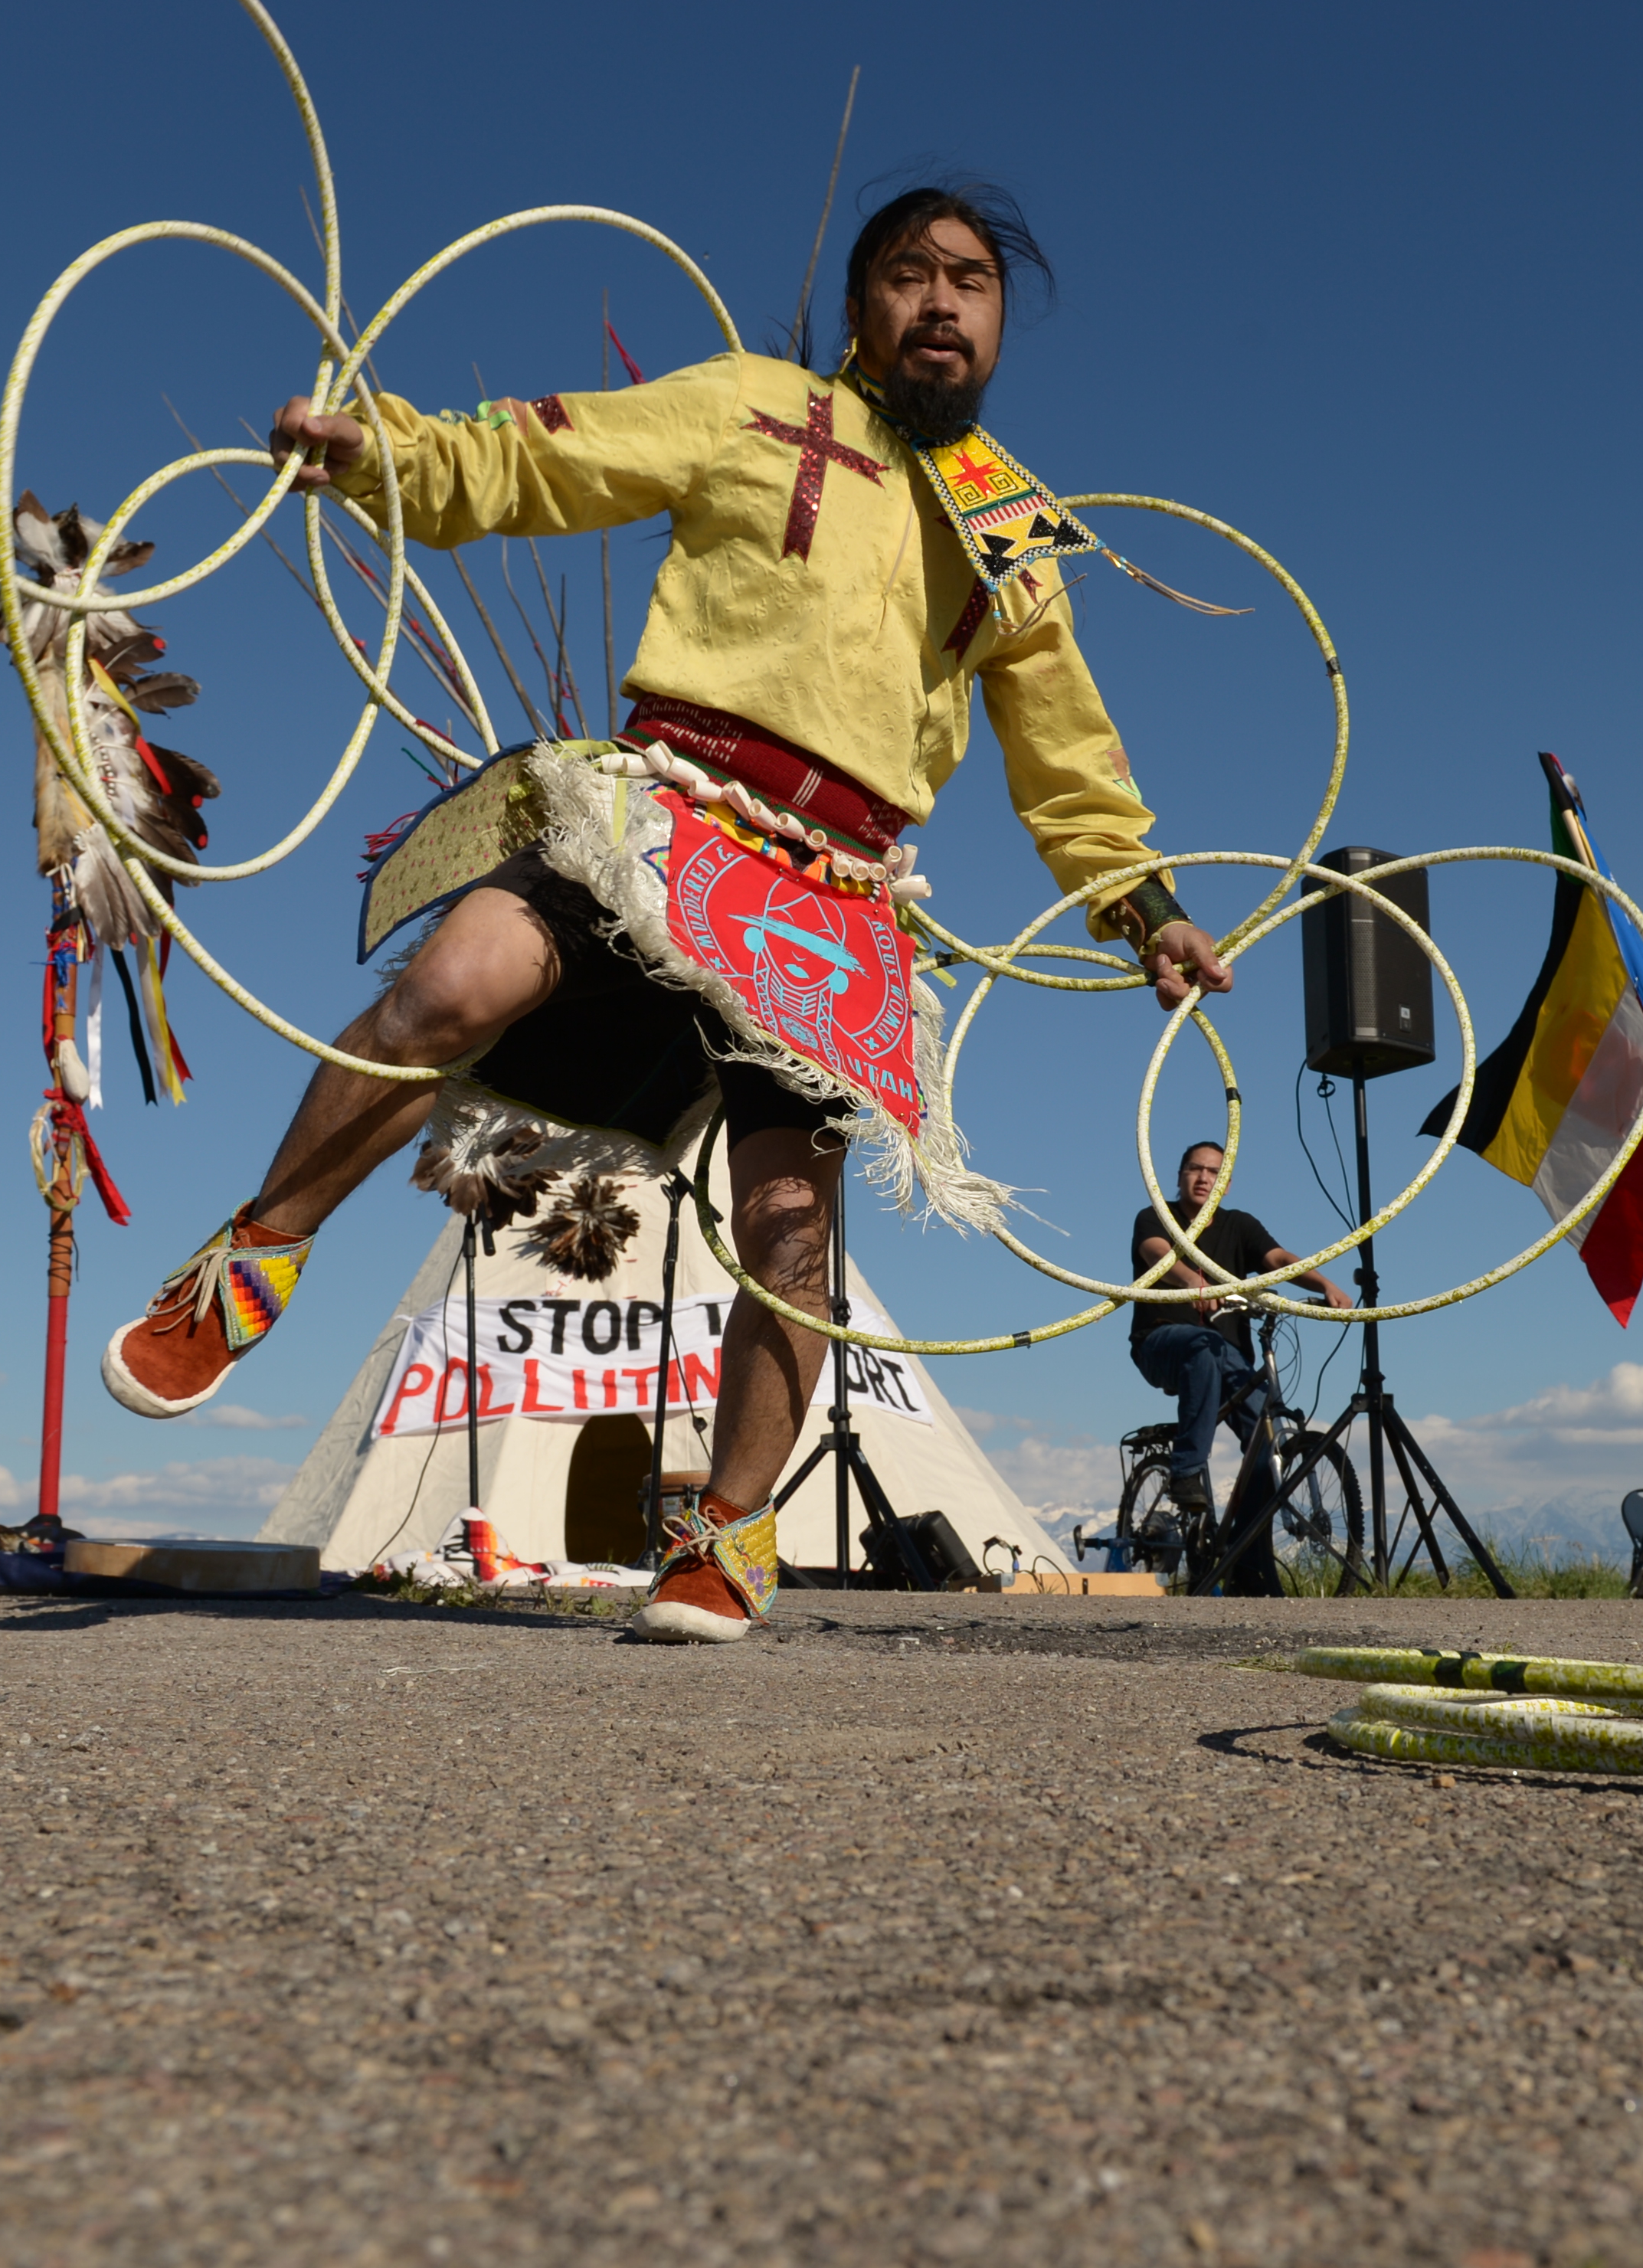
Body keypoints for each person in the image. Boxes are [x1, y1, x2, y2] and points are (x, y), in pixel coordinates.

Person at [96, 187, 1234, 1643]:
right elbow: (545, 456)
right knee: (453, 984)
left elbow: (1064, 747)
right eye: (909, 275)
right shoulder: (752, 405)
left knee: (790, 1230)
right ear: (861, 308)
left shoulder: (1016, 526)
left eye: (970, 282)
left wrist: (1142, 909)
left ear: (998, 324)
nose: (942, 303)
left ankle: (729, 1533)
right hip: (668, 809)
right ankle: (249, 1262)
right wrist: (377, 453)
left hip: (834, 891)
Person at [1126, 1140, 1353, 1518]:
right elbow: (1157, 1254)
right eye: (1195, 1169)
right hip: (1162, 1341)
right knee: (1204, 1347)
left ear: (1226, 1184)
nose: (1204, 1178)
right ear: (1179, 1176)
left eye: (1214, 1172)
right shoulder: (1156, 1217)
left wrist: (1325, 1285)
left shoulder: (1239, 1224)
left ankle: (1244, 1547)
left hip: (1227, 1354)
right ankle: (1186, 1472)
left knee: (1265, 1430)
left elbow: (1277, 1259)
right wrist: (1191, 1283)